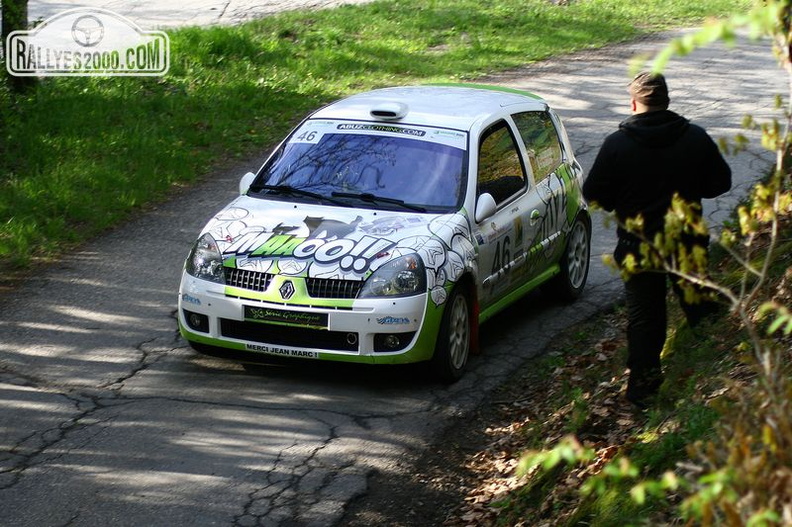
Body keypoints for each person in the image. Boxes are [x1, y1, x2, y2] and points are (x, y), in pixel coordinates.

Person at [582, 72, 732, 408]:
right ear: (667, 100)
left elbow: (593, 195)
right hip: (687, 242)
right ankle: (718, 368)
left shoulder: (616, 145)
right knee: (700, 306)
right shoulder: (695, 137)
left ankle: (642, 392)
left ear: (634, 103)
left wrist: (621, 200)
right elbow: (720, 183)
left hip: (639, 248)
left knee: (645, 320)